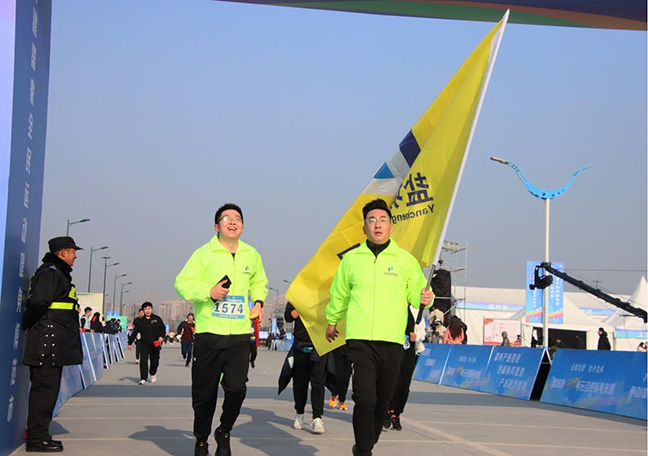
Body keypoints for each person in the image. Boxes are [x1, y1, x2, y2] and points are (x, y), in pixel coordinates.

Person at [325, 198, 434, 456]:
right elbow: (339, 294)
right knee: (364, 398)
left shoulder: (405, 260)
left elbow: (416, 294)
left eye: (383, 220)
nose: (377, 225)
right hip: (360, 338)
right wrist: (332, 320)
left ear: (391, 227)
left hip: (393, 340)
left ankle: (364, 445)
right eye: (371, 220)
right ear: (364, 228)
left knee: (382, 404)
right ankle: (364, 451)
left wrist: (425, 298)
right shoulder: (352, 259)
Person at [175, 203, 267, 456]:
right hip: (209, 335)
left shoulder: (251, 254)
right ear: (217, 226)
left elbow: (259, 282)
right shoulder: (203, 254)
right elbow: (182, 283)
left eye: (237, 218)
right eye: (226, 218)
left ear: (243, 226)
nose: (232, 221)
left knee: (237, 389)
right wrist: (209, 291)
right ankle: (201, 440)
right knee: (204, 394)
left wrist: (258, 303)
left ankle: (224, 430)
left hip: (239, 335)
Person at [22, 236, 84, 453]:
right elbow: (39, 302)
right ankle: (36, 439)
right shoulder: (51, 273)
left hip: (54, 345)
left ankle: (41, 435)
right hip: (47, 346)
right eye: (73, 251)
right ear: (63, 252)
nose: (75, 256)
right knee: (44, 393)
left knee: (48, 392)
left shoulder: (58, 273)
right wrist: (28, 324)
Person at [284, 302, 327, 434]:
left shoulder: (323, 295)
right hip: (301, 345)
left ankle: (317, 418)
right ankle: (300, 413)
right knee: (299, 383)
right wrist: (301, 308)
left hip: (320, 344)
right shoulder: (296, 296)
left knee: (318, 383)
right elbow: (288, 317)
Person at [385, 305, 426, 431]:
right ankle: (388, 410)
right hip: (393, 350)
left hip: (409, 352)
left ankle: (396, 414)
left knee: (404, 387)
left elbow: (422, 331)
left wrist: (416, 336)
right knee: (394, 384)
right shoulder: (393, 307)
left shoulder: (416, 310)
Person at [127, 302, 166, 385]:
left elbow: (163, 329)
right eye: (145, 309)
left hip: (155, 344)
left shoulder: (157, 319)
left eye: (149, 309)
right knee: (143, 361)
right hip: (144, 344)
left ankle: (152, 373)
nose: (147, 311)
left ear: (152, 309)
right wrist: (130, 343)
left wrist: (161, 336)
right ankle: (143, 378)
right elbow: (134, 333)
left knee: (155, 361)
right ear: (143, 310)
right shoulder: (140, 321)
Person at [329, 345, 352, 411]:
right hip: (338, 350)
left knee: (346, 378)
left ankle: (342, 400)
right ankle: (334, 394)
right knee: (339, 376)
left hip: (350, 351)